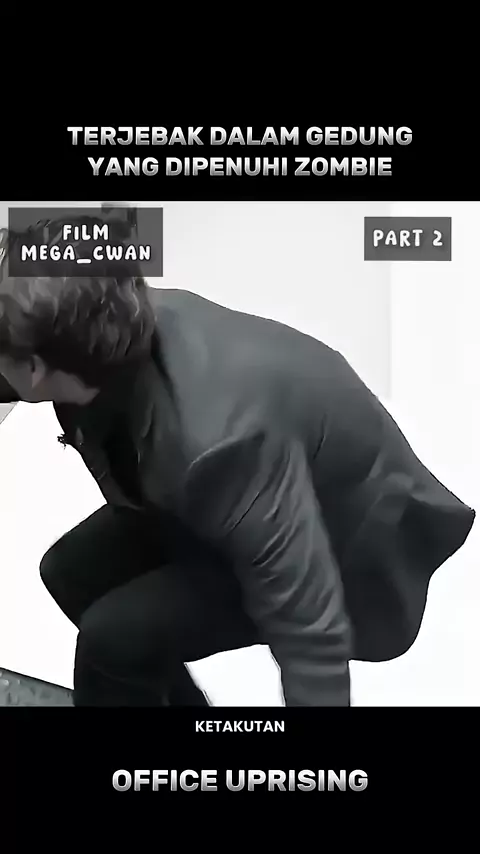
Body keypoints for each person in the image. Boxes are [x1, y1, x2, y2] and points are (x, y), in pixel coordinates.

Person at [0, 211, 475, 707]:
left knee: (111, 641)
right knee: (69, 573)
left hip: (335, 545)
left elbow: (309, 631)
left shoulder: (221, 447)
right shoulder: (96, 324)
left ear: (33, 369)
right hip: (210, 500)